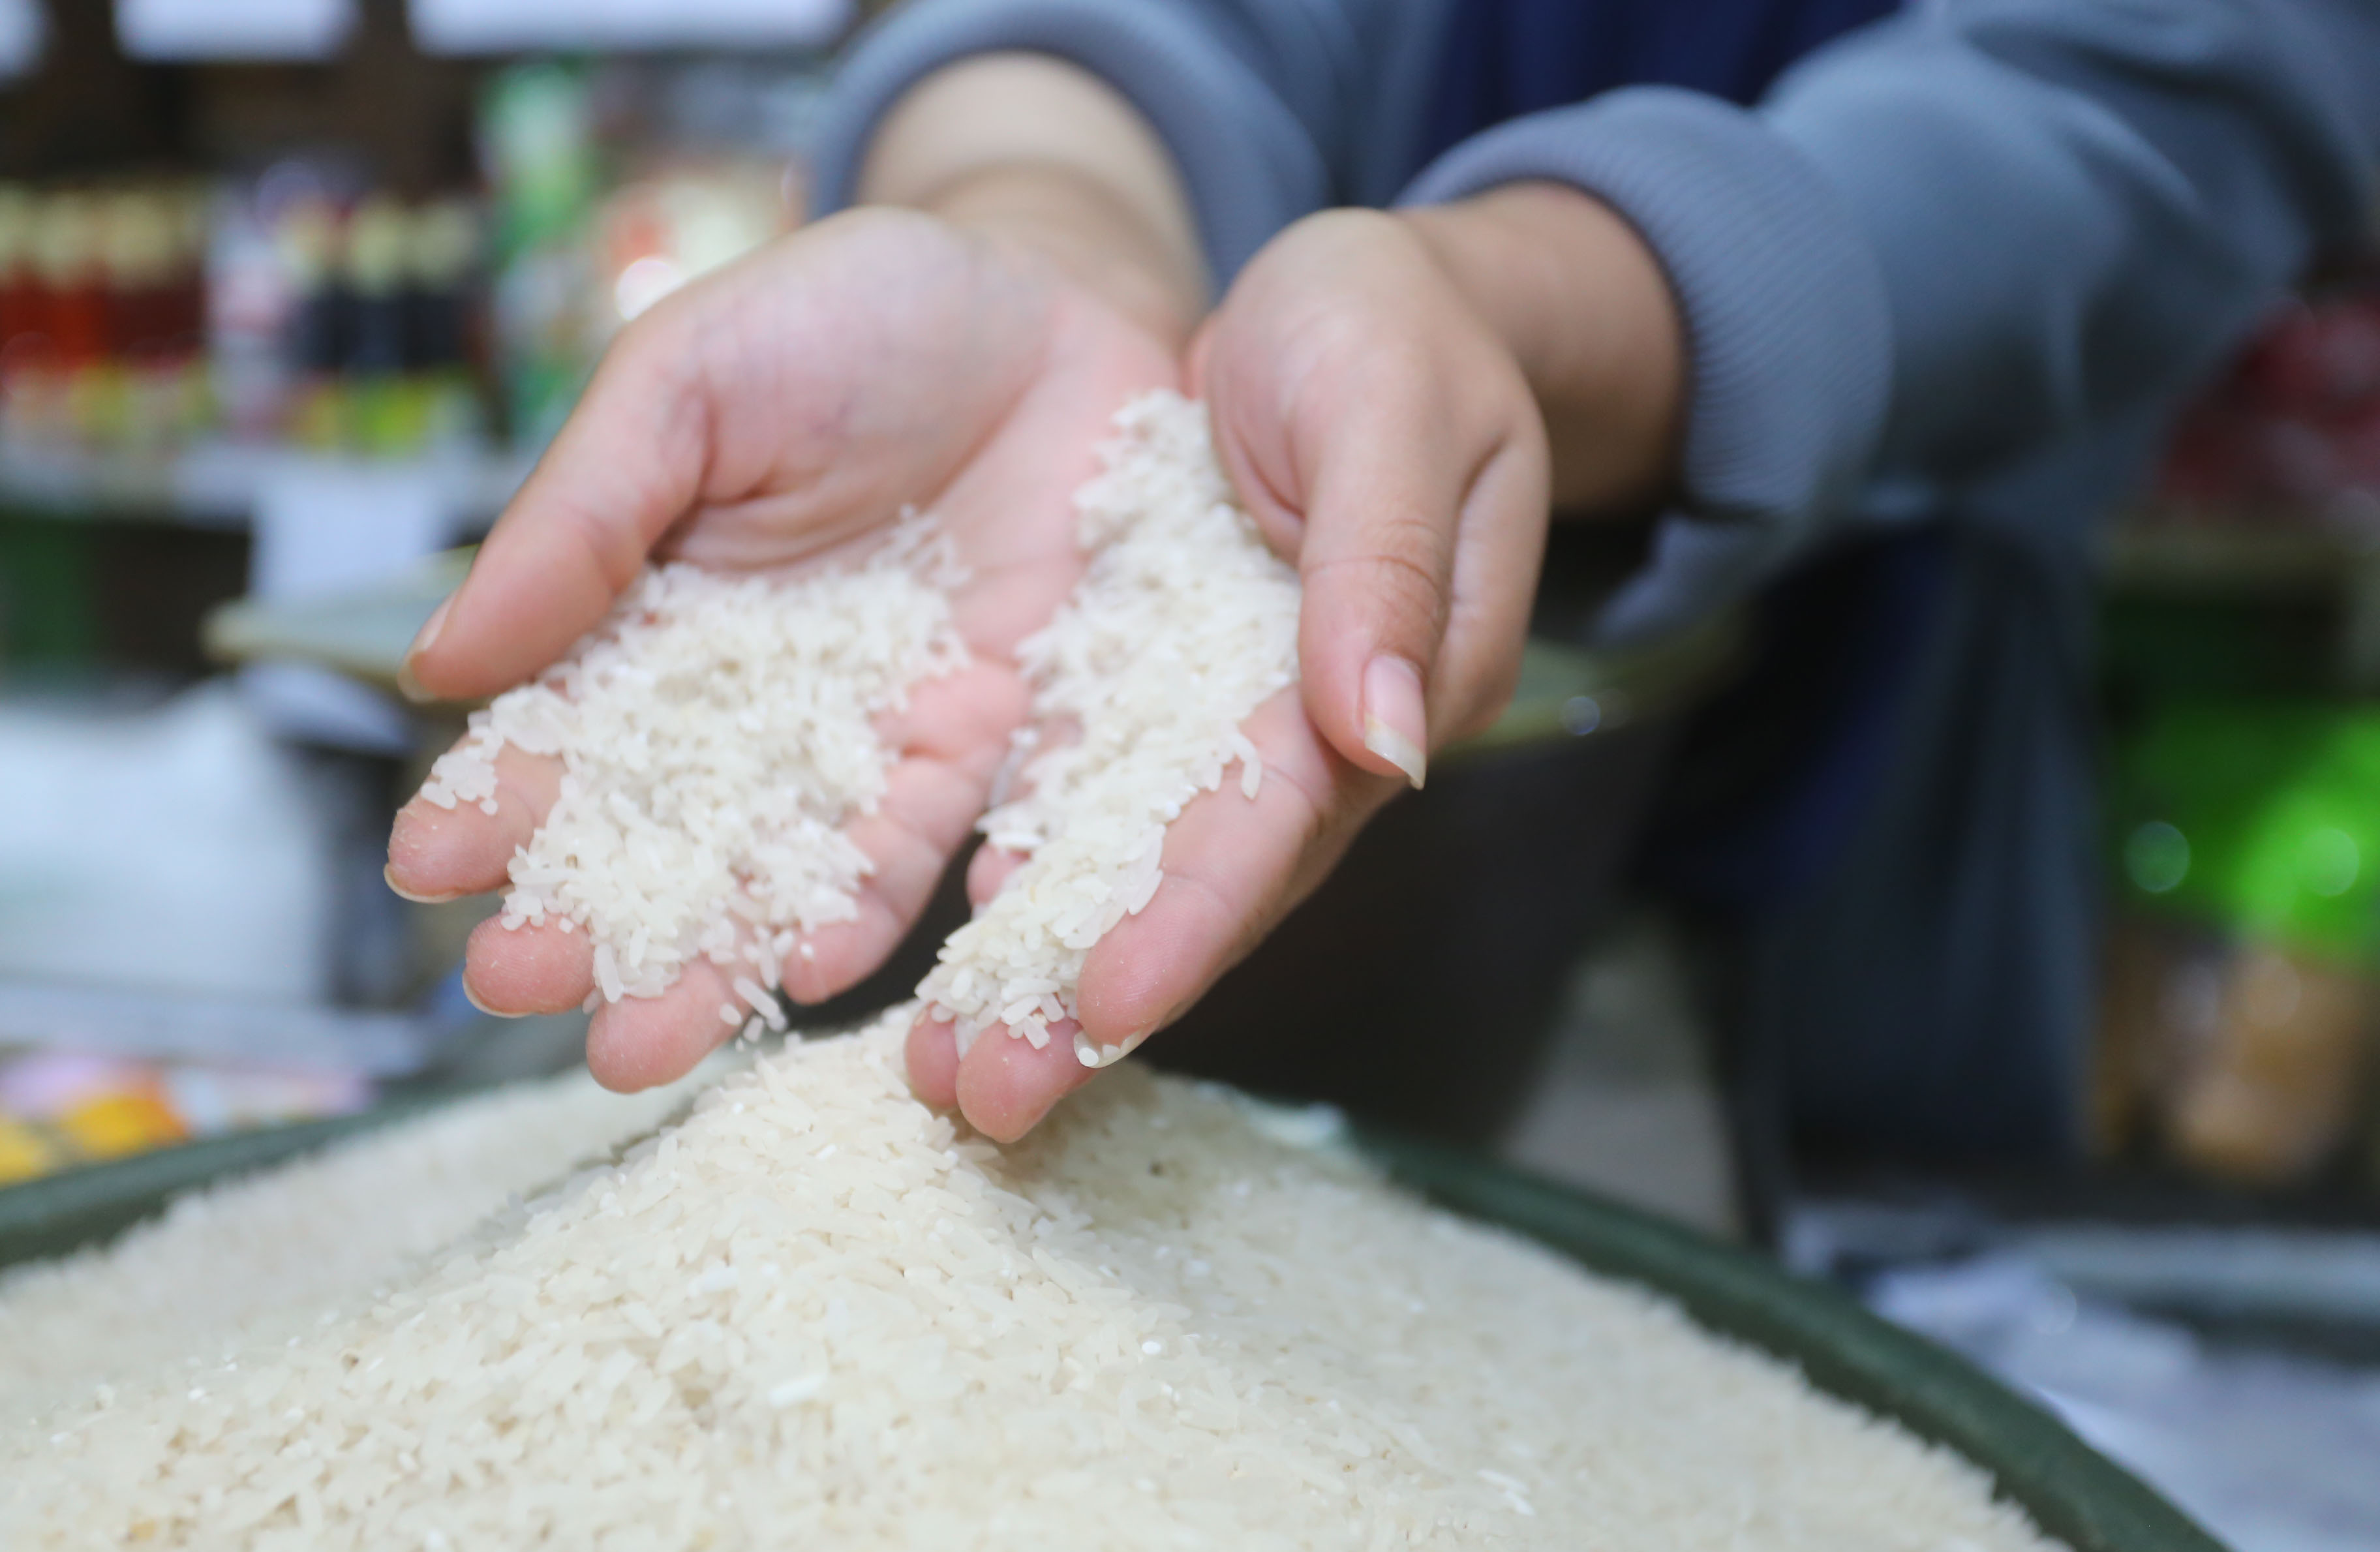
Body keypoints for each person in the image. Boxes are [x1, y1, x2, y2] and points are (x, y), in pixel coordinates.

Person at [387, 0, 2380, 1154]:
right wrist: (1045, 216)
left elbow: (2145, 103)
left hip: (1865, 804)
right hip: (1263, 787)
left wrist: (1524, 302)